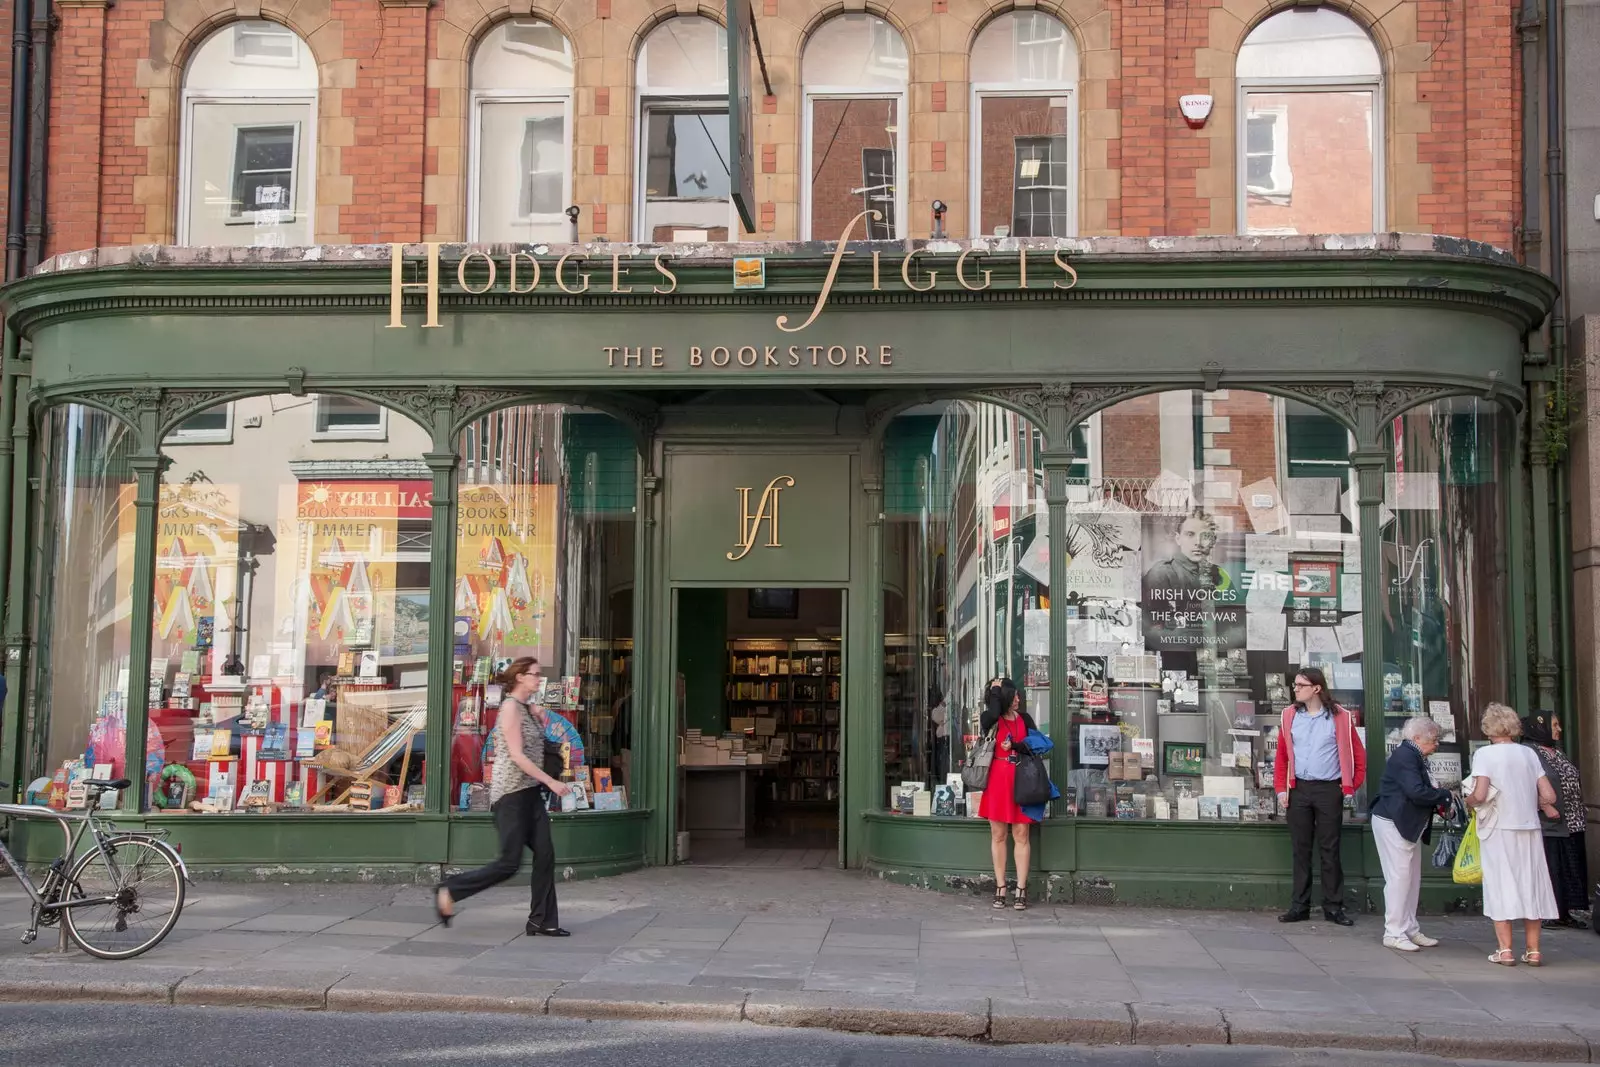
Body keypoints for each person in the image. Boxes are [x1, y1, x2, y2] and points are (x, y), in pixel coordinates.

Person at [435, 657, 573, 936]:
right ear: (520, 677)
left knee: (545, 855)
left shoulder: (525, 708)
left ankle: (542, 921)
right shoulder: (510, 708)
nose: (539, 679)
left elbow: (535, 748)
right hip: (510, 796)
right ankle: (450, 889)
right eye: (535, 674)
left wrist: (538, 717)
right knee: (509, 863)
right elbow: (517, 755)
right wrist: (551, 782)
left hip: (530, 794)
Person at [1465, 702, 1560, 966]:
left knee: (1500, 884)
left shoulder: (1485, 755)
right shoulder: (1528, 754)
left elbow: (1481, 794)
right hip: (1529, 827)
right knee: (1532, 885)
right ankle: (1534, 950)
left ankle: (1505, 950)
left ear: (1488, 729)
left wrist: (1468, 800)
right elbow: (1549, 795)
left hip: (1498, 828)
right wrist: (1541, 803)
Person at [1273, 665, 1366, 926]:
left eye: (1301, 685)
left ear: (1316, 688)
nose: (1296, 689)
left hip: (1328, 789)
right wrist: (1281, 788)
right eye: (1295, 685)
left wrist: (1349, 786)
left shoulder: (1339, 717)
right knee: (1300, 850)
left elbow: (1359, 757)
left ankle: (1333, 907)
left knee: (1330, 850)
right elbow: (1281, 756)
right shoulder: (1289, 716)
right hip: (1298, 788)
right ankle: (1299, 906)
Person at [1369, 716, 1454, 951]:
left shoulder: (1413, 755)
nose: (1436, 744)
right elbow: (1416, 791)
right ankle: (1394, 932)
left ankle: (1409, 928)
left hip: (1403, 823)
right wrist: (1444, 796)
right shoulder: (1407, 756)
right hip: (1394, 822)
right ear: (1417, 738)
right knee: (1399, 878)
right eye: (1433, 739)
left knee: (1410, 878)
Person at [1520, 711, 1588, 930]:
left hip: (1572, 820)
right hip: (1549, 822)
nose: (1559, 729)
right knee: (1553, 867)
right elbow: (1524, 783)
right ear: (1540, 727)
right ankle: (1548, 912)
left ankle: (1565, 912)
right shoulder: (1530, 752)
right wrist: (1544, 804)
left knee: (1571, 866)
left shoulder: (1556, 751)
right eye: (1555, 725)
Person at [977, 677, 1038, 912]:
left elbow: (1038, 744)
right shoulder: (991, 720)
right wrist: (995, 690)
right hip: (998, 779)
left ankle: (1021, 888)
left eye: (1018, 695)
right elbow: (991, 714)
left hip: (1022, 778)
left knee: (1022, 833)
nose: (1018, 699)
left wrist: (1015, 746)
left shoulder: (1025, 719)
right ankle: (1000, 886)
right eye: (1013, 695)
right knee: (998, 834)